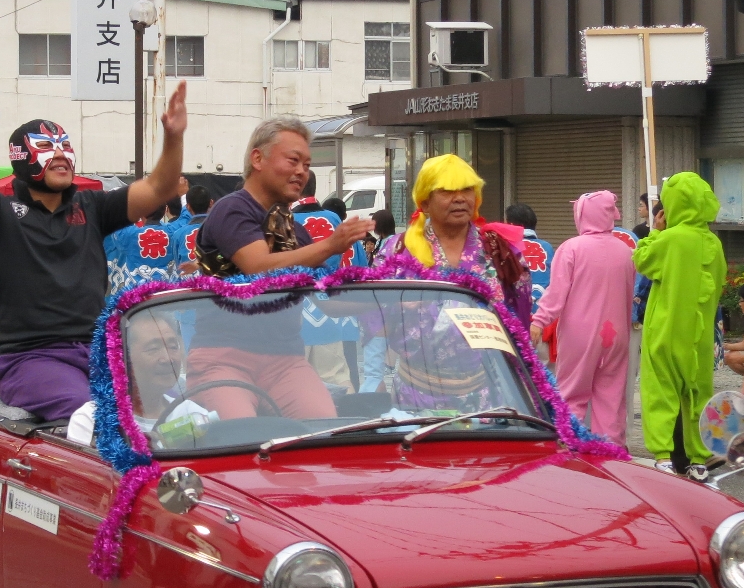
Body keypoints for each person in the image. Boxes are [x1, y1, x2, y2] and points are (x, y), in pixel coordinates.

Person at [0, 71, 187, 421]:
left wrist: (173, 138)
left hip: (98, 353)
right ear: (21, 157)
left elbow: (160, 187)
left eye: (65, 145)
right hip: (29, 359)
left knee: (173, 415)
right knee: (91, 417)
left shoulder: (92, 207)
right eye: (45, 147)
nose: (60, 154)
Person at [189, 117, 371, 421]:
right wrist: (329, 245)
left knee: (322, 427)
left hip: (285, 359)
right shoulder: (232, 208)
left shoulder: (297, 233)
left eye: (307, 164)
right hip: (223, 356)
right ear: (257, 158)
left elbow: (330, 299)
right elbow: (259, 268)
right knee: (239, 433)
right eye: (293, 160)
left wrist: (395, 298)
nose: (301, 171)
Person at [633, 172, 725, 475]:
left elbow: (643, 260)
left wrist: (656, 231)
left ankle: (662, 455)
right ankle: (700, 457)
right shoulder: (714, 243)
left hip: (666, 326)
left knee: (661, 390)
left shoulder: (671, 239)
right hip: (698, 334)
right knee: (698, 392)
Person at [531, 192, 635, 444]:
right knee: (611, 398)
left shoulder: (572, 248)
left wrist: (538, 322)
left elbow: (556, 296)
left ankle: (569, 450)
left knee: (571, 395)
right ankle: (611, 455)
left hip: (580, 335)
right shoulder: (625, 250)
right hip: (618, 335)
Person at [398, 154, 530, 320]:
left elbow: (520, 313)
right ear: (425, 203)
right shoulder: (400, 248)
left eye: (467, 189)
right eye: (447, 191)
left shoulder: (499, 249)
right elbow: (373, 308)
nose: (460, 198)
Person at [66, 309, 213, 447]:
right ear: (122, 358)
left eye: (173, 347)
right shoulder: (93, 421)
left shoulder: (191, 414)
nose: (168, 358)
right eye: (153, 348)